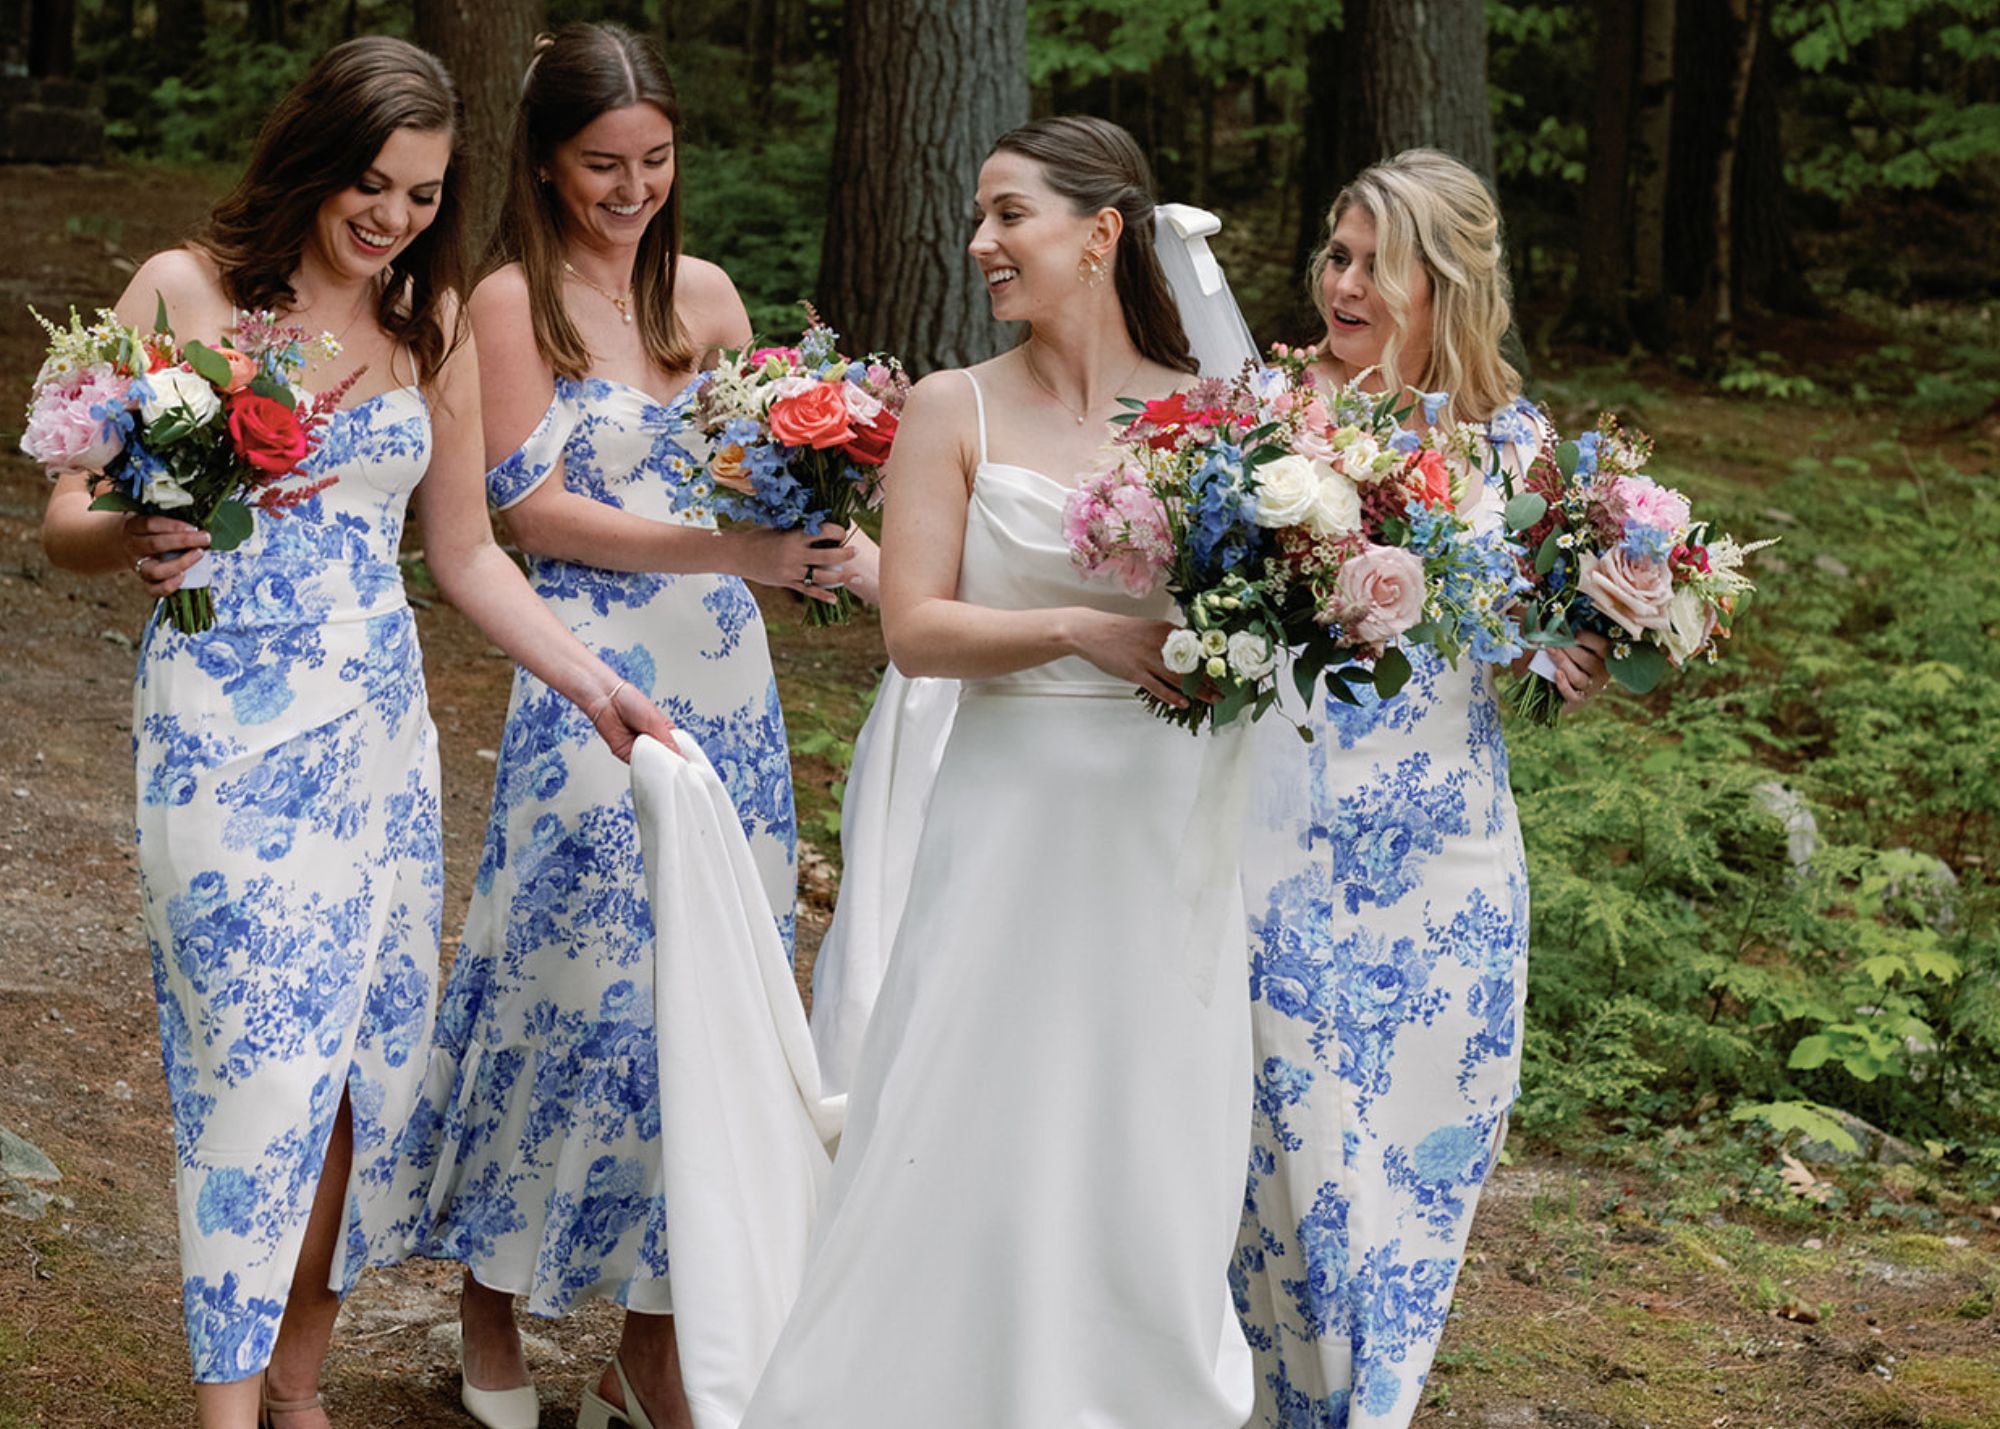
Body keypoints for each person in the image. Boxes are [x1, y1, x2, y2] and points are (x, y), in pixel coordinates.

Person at [34, 37, 676, 1429]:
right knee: (256, 1067)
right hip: (218, 726)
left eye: (426, 195)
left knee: (360, 1076)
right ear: (317, 159)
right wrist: (136, 527)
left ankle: (298, 1383)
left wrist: (594, 683)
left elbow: (471, 558)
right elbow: (61, 524)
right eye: (373, 186)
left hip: (377, 736)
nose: (393, 217)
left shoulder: (430, 325)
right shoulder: (179, 288)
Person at [715, 115, 1254, 1427]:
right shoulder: (954, 407)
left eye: (1010, 214)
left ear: (1103, 232)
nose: (982, 243)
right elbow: (916, 627)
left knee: (1137, 1125)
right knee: (971, 1112)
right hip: (1007, 812)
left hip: (1158, 826)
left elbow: (1261, 616)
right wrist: (1082, 629)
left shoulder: (1211, 417)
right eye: (980, 214)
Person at [383, 25, 843, 1429]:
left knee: (706, 1007)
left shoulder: (705, 295)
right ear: (541, 162)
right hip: (583, 665)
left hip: (725, 675)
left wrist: (810, 523)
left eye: (655, 160)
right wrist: (733, 549)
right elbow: (534, 517)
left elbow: (760, 470)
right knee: (569, 987)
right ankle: (492, 1304)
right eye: (602, 164)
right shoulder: (507, 305)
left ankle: (653, 1345)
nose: (633, 187)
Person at [1229, 147, 1609, 1428]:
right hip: (1281, 833)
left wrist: (1582, 649)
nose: (1338, 283)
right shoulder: (1266, 416)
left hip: (1448, 853)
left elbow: (1532, 634)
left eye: (1367, 262)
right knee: (1296, 1148)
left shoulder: (1517, 447)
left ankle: (1366, 1404)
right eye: (1331, 254)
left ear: (1439, 281)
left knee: (1424, 1145)